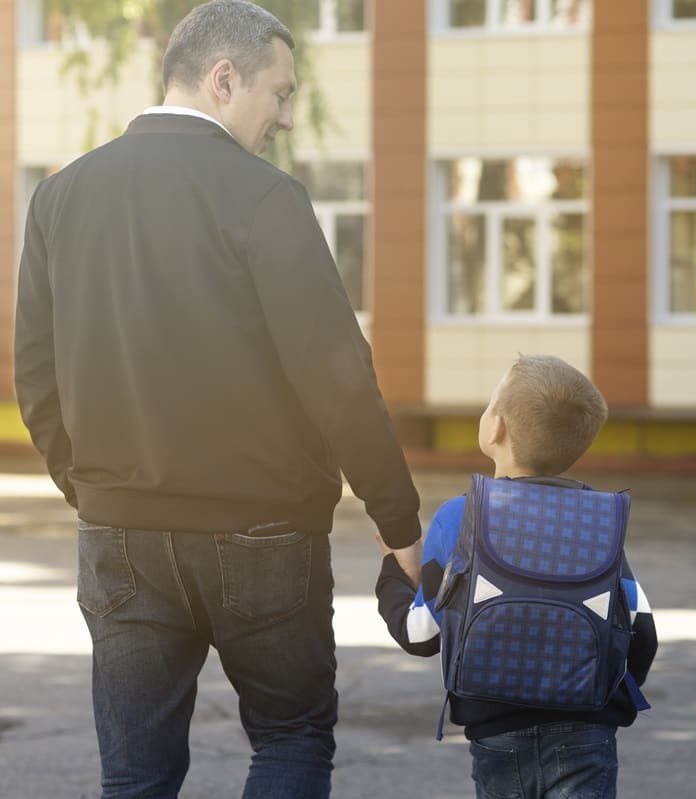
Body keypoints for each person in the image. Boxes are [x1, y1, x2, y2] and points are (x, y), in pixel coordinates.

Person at [13, 2, 422, 797]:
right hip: (263, 534)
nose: (288, 117)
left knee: (134, 775)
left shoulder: (59, 199)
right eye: (280, 92)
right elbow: (338, 377)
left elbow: (36, 376)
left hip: (120, 535)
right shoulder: (266, 198)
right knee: (293, 739)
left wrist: (97, 491)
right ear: (224, 78)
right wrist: (398, 523)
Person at [376, 354, 657, 799]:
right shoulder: (598, 522)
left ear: (497, 429)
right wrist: (600, 702)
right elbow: (642, 632)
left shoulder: (461, 516)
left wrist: (392, 572)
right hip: (586, 733)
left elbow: (421, 633)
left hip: (497, 735)